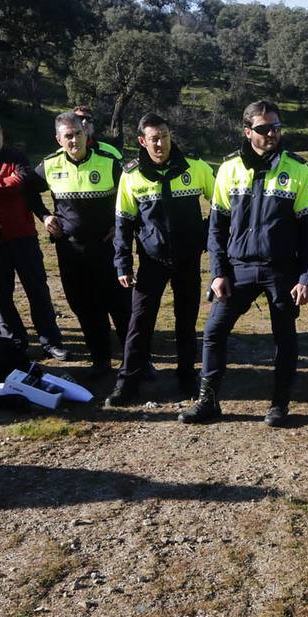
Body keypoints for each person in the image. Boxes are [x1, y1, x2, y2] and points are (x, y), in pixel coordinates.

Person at [179, 100, 308, 427]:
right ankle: (208, 401)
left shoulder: (298, 170)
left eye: (276, 126)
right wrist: (218, 272)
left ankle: (279, 404)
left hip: (282, 271)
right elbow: (216, 228)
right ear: (248, 131)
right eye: (263, 128)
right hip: (237, 268)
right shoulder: (229, 169)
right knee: (214, 331)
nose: (271, 133)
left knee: (284, 337)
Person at [107, 112, 215, 405]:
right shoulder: (131, 175)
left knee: (186, 321)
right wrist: (123, 263)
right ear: (142, 141)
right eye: (154, 138)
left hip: (187, 260)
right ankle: (128, 382)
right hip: (151, 262)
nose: (160, 143)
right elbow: (123, 222)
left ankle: (187, 377)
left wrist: (204, 236)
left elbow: (221, 206)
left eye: (165, 136)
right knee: (139, 323)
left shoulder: (196, 167)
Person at [0, 113, 66, 360]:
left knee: (37, 290)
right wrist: (3, 185)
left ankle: (51, 340)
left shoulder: (17, 157)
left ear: (2, 135)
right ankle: (14, 342)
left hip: (23, 235)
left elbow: (23, 183)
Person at [36, 111, 130, 376]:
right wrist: (44, 216)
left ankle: (136, 362)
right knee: (86, 308)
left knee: (121, 307)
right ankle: (100, 361)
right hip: (71, 252)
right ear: (58, 139)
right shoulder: (50, 164)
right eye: (68, 136)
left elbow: (131, 192)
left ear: (86, 133)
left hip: (107, 250)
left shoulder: (109, 160)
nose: (74, 140)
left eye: (78, 133)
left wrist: (119, 224)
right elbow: (27, 189)